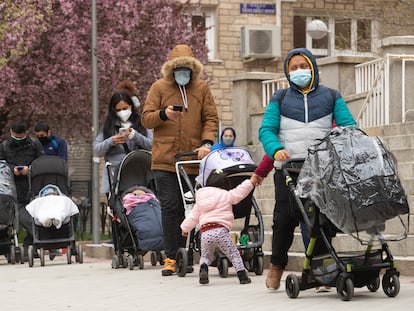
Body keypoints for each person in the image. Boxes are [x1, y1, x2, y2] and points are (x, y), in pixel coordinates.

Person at [258, 47, 356, 291]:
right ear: (287, 72)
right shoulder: (279, 98)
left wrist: (340, 142)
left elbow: (348, 126)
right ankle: (277, 266)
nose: (299, 71)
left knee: (319, 221)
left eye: (303, 66)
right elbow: (266, 129)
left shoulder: (331, 96)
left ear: (313, 68)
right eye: (293, 68)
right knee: (283, 221)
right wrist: (275, 148)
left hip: (321, 169)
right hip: (288, 168)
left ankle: (321, 270)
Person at [141, 44, 219, 276]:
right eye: (178, 69)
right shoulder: (159, 87)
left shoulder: (202, 88)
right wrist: (164, 114)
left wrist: (206, 143)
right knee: (170, 207)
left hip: (193, 160)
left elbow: (211, 118)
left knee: (196, 208)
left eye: (186, 69)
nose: (182, 73)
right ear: (171, 70)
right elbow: (146, 119)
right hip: (165, 160)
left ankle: (195, 250)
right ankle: (171, 256)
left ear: (193, 69)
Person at [181, 169, 260, 285]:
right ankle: (242, 276)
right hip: (221, 231)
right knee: (234, 254)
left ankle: (203, 269)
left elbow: (193, 216)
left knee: (206, 256)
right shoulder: (226, 195)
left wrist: (185, 229)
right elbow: (239, 192)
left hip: (205, 233)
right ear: (224, 184)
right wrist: (250, 182)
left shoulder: (200, 199)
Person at [94, 91, 152, 198]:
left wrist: (135, 136)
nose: (122, 112)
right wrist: (111, 141)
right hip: (115, 178)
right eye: (118, 110)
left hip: (139, 176)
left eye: (125, 108)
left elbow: (152, 145)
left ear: (131, 106)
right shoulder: (108, 127)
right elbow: (96, 150)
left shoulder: (142, 123)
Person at [0, 120, 45, 252]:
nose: (19, 139)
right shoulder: (4, 146)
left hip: (32, 185)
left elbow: (41, 162)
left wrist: (30, 169)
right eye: (16, 136)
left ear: (26, 133)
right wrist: (12, 169)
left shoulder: (34, 144)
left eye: (21, 137)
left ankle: (30, 245)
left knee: (33, 215)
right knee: (21, 216)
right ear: (11, 133)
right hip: (11, 187)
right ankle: (35, 242)